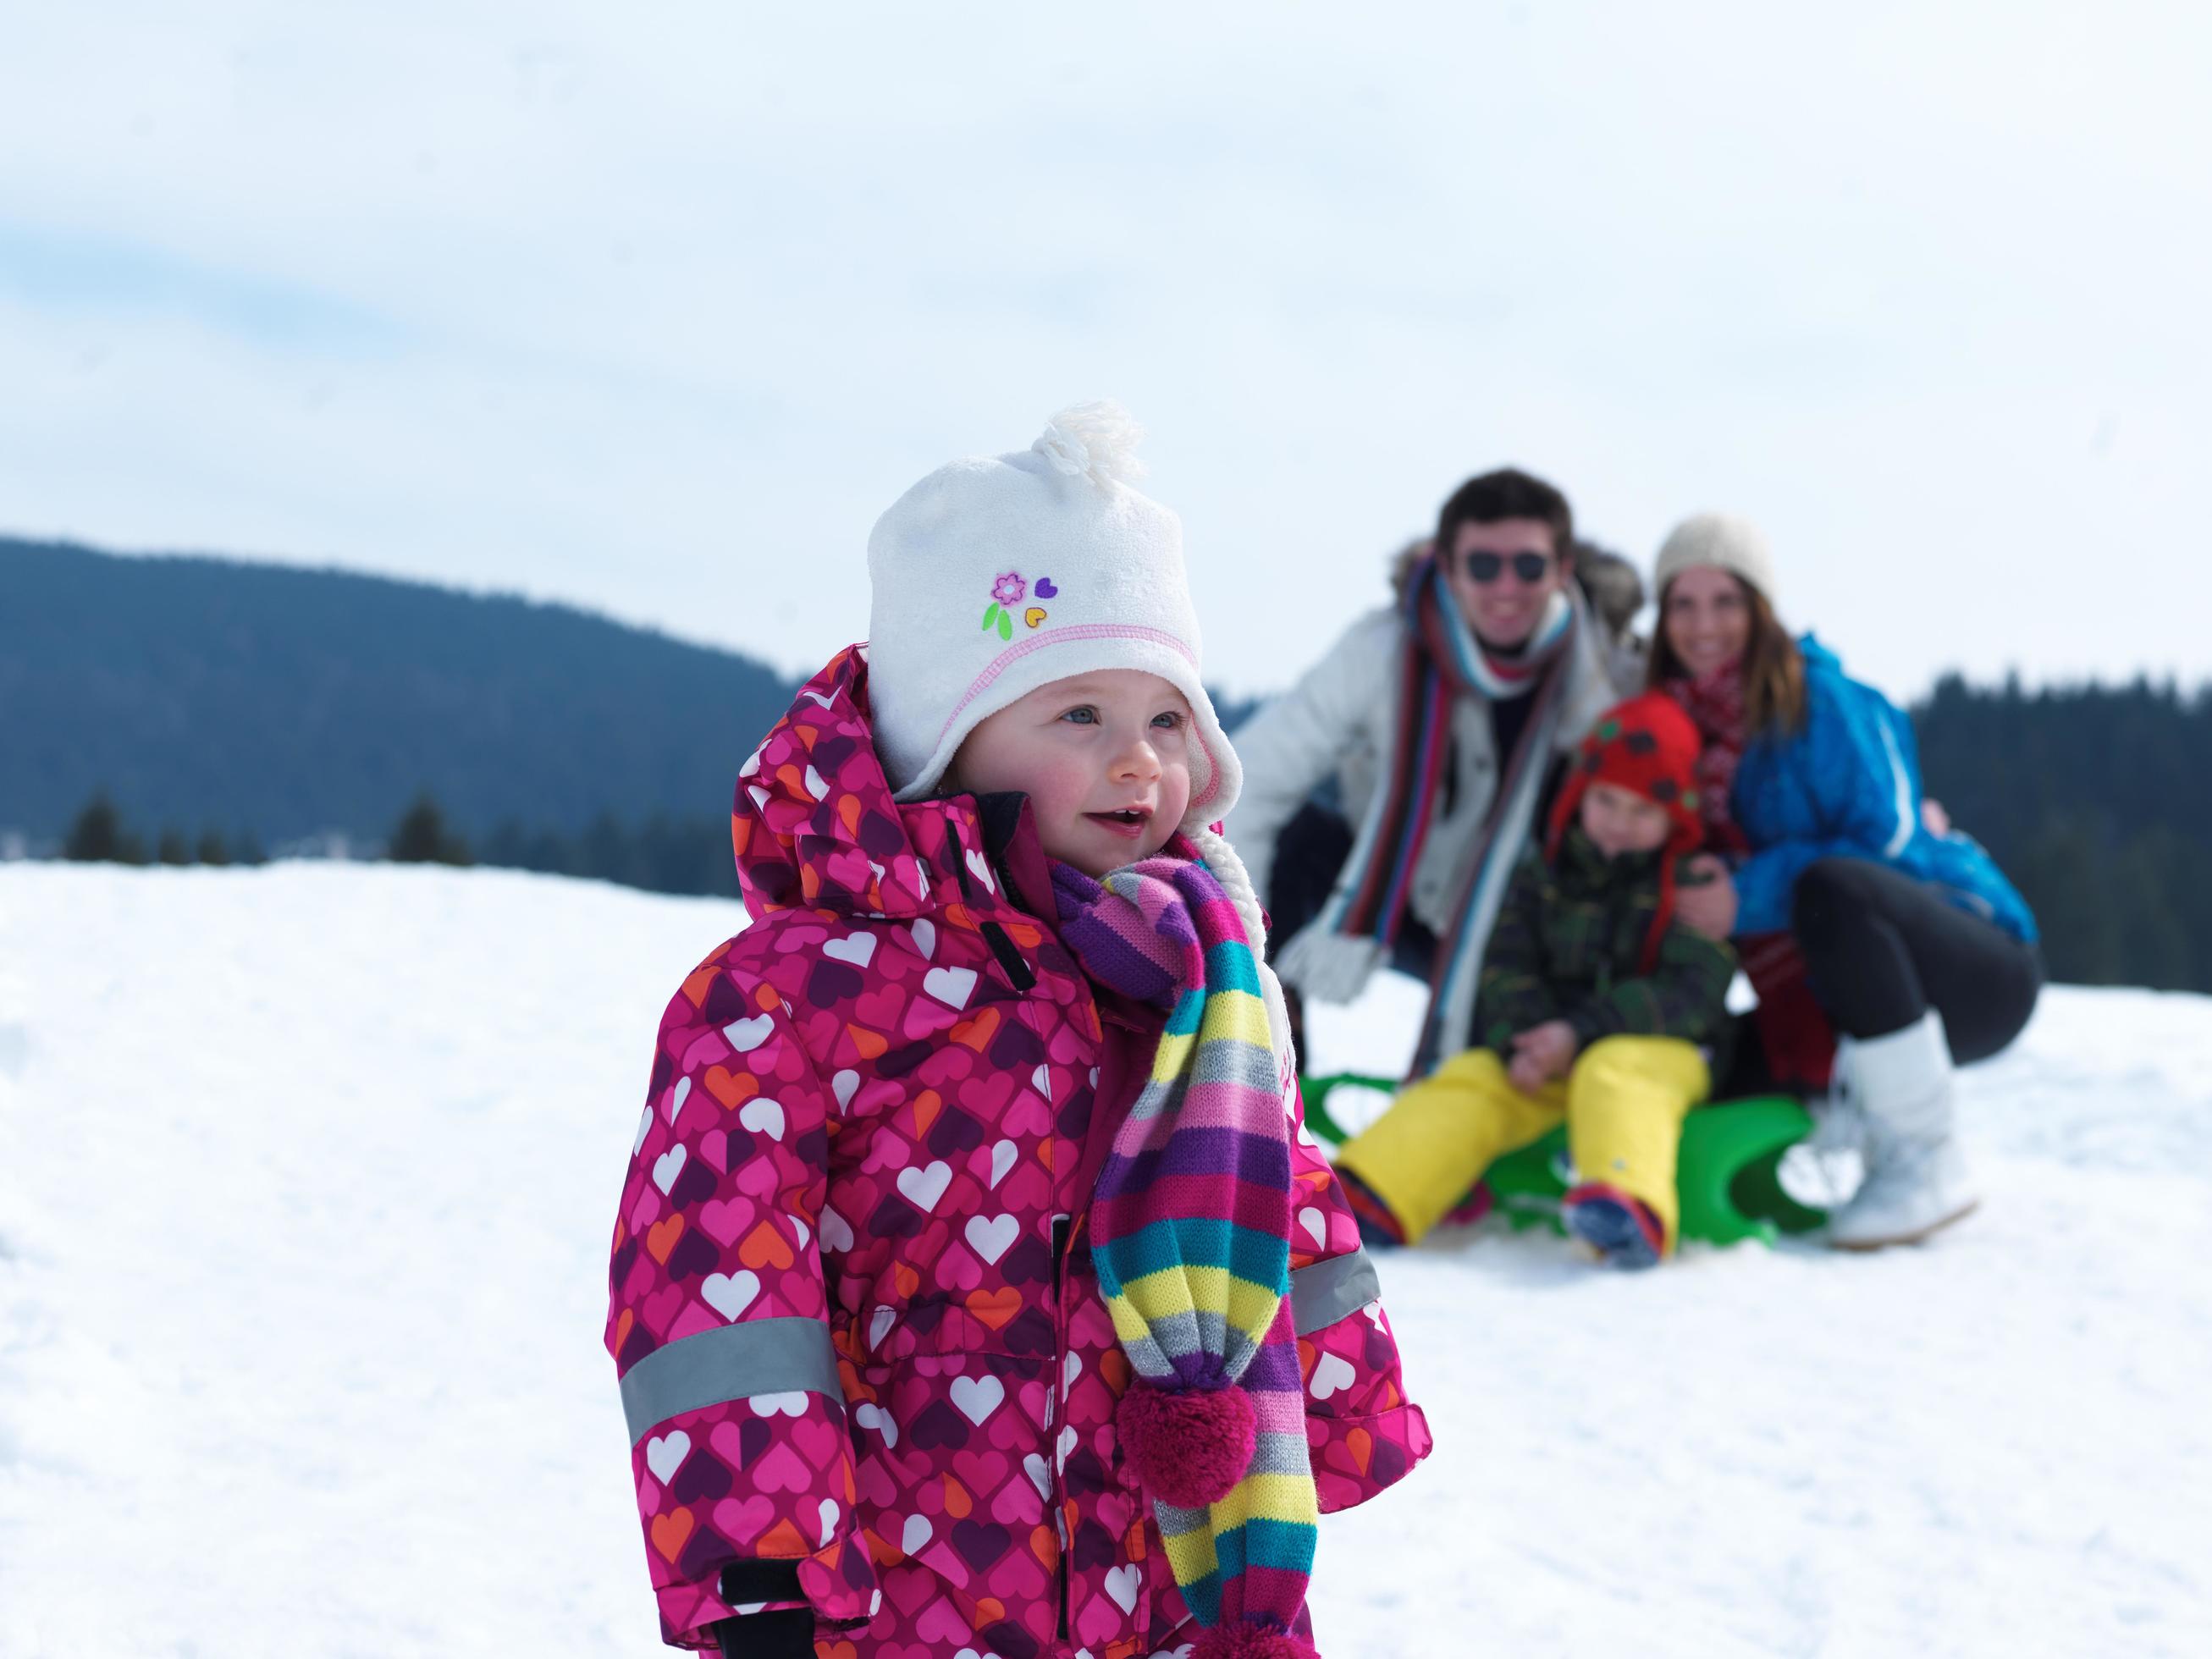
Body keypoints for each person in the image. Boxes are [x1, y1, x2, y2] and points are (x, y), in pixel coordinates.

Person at [605, 404, 1428, 1659]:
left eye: (1166, 720)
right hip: (902, 1587)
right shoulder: (789, 999)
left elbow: (1272, 1187)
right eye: (1079, 717)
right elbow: (716, 1288)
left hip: (1160, 1567)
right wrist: (761, 1569)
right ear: (949, 738)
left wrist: (1340, 1400)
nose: (1137, 765)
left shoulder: (1191, 968)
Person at [1647, 513, 2043, 1250]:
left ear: (1760, 608)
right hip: (1831, 993)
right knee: (1719, 1073)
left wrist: (1743, 892)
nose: (1703, 625)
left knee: (1832, 886)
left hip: (1970, 966)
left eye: (1725, 601)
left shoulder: (1823, 701)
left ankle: (1924, 1157)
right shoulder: (1677, 731)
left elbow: (1885, 841)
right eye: (1682, 603)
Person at [1225, 470, 1626, 1077]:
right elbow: (1250, 782)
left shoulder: (1602, 677)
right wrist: (1237, 961)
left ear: (1563, 569)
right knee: (1294, 838)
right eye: (1484, 566)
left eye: (1529, 565)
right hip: (1395, 898)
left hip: (1519, 926)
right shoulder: (1381, 651)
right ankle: (1265, 1053)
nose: (1507, 587)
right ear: (1447, 565)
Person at [1328, 693, 1737, 1267]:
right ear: (1579, 795)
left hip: (1660, 1054)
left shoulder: (1686, 884)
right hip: (1549, 1051)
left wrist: (1580, 1032)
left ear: (1676, 816)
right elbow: (1507, 966)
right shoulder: (1543, 875)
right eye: (1607, 801)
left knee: (1613, 1069)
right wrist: (1525, 1039)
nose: (1620, 824)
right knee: (1476, 1076)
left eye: (1642, 811)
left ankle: (1627, 1204)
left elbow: (1692, 991)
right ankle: (1369, 1191)